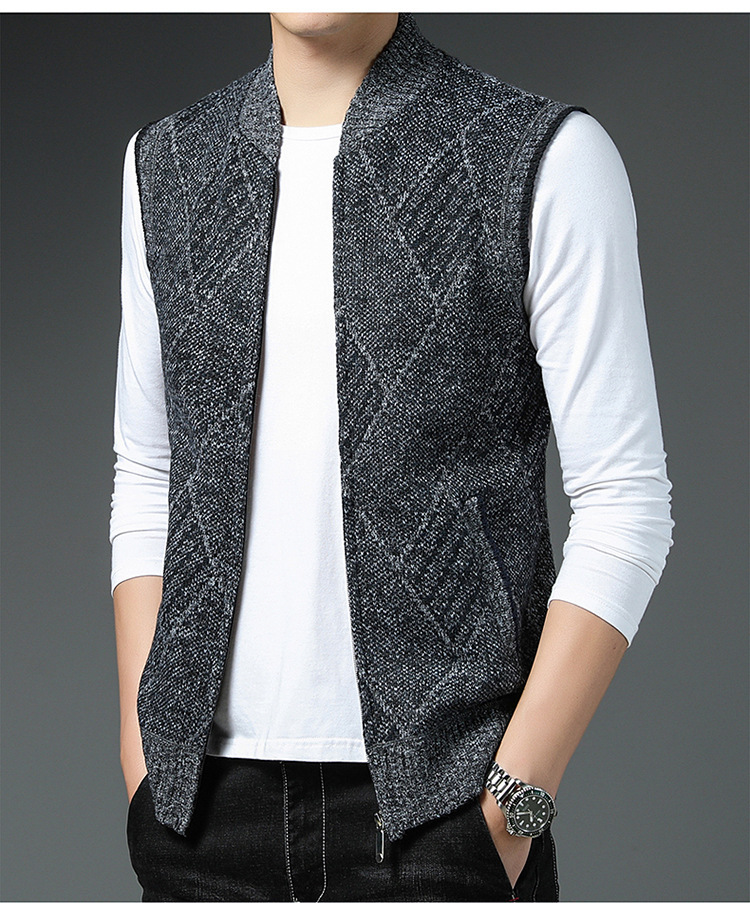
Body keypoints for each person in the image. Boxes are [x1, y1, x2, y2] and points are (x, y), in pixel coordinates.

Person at [110, 12, 674, 902]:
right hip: (199, 820)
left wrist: (511, 805)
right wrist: (143, 752)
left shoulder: (545, 156)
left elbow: (624, 500)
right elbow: (149, 473)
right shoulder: (167, 164)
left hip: (442, 818)